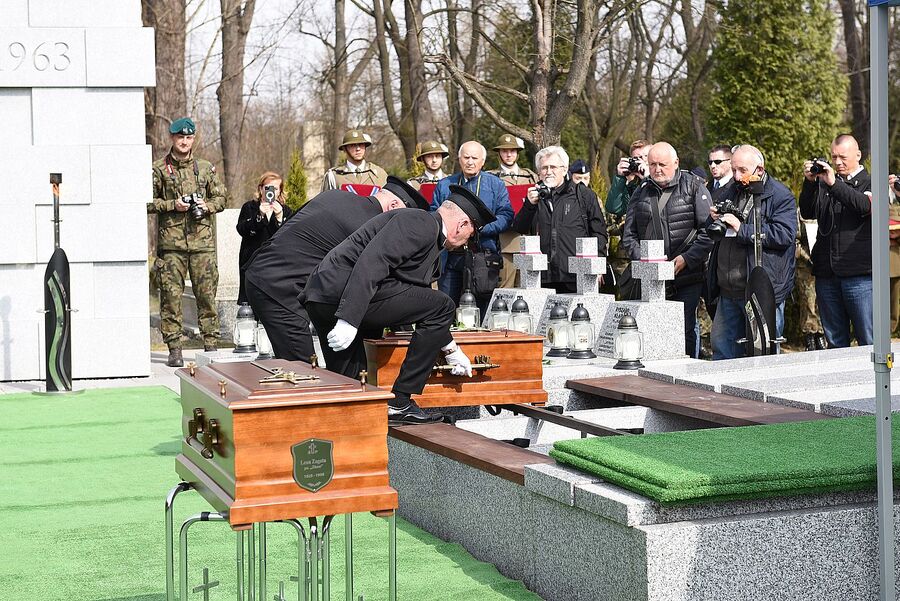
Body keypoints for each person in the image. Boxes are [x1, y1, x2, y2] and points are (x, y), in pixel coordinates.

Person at [302, 186, 496, 424]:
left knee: (351, 387)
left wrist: (451, 351)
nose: (464, 245)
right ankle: (400, 401)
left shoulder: (427, 232)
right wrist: (349, 318)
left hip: (325, 297)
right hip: (342, 296)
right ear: (462, 225)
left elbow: (418, 299)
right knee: (444, 305)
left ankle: (348, 433)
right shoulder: (421, 221)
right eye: (469, 238)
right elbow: (374, 261)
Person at [244, 176, 429, 362]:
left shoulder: (334, 196)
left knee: (314, 367)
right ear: (394, 205)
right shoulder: (370, 225)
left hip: (264, 274)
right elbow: (376, 277)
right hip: (277, 287)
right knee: (303, 371)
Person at [621, 142, 713, 358]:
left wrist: (686, 259)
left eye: (662, 164)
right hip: (650, 278)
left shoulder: (694, 187)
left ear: (676, 163)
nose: (657, 169)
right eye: (652, 164)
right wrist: (644, 260)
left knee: (684, 329)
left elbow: (708, 232)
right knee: (651, 330)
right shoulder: (641, 191)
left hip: (686, 275)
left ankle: (687, 374)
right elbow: (629, 235)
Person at [148, 117, 227, 368]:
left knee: (206, 296)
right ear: (172, 138)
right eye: (180, 137)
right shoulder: (158, 169)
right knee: (171, 298)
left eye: (189, 137)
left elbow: (221, 198)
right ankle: (174, 348)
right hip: (171, 246)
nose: (184, 141)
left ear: (193, 139)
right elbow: (147, 201)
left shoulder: (205, 168)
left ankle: (211, 345)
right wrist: (174, 205)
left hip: (202, 244)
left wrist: (207, 206)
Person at [707, 145, 797, 360]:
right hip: (728, 290)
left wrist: (741, 229)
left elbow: (784, 235)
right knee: (722, 350)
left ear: (760, 169)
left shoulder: (780, 195)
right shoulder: (732, 189)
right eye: (734, 169)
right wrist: (716, 217)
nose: (737, 176)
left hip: (761, 290)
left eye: (742, 171)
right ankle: (721, 394)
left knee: (762, 352)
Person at [798, 134, 873, 348]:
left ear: (858, 155)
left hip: (859, 275)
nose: (838, 162)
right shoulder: (826, 182)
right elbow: (808, 211)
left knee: (868, 339)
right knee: (835, 342)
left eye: (843, 157)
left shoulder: (870, 182)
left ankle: (873, 382)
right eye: (834, 157)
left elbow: (863, 206)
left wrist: (832, 184)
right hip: (826, 273)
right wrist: (811, 183)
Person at [431, 141, 513, 315]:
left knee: (482, 312)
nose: (470, 161)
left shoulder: (495, 185)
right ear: (459, 159)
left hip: (483, 257)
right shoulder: (445, 184)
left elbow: (506, 215)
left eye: (474, 158)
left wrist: (479, 229)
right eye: (466, 157)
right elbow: (434, 215)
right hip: (450, 257)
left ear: (483, 161)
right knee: (446, 309)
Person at [512, 146, 608, 292]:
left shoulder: (583, 195)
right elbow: (520, 228)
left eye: (553, 167)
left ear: (564, 170)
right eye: (544, 168)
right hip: (542, 276)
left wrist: (597, 265)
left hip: (576, 275)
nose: (548, 172)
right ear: (538, 173)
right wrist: (529, 205)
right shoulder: (533, 196)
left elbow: (599, 232)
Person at [236, 172, 294, 305]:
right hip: (252, 261)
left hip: (275, 265)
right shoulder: (249, 207)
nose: (271, 192)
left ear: (280, 191)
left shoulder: (286, 211)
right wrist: (259, 216)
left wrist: (280, 218)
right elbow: (241, 229)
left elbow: (289, 238)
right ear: (261, 188)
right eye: (268, 188)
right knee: (251, 303)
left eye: (275, 188)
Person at [322, 129, 388, 193]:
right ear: (345, 149)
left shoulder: (379, 174)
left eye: (361, 144)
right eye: (352, 145)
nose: (358, 149)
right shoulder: (334, 176)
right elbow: (324, 202)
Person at [605, 139, 651, 218]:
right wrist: (620, 178)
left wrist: (648, 178)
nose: (642, 160)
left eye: (646, 156)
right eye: (636, 158)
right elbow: (614, 209)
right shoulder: (632, 186)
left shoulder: (662, 180)